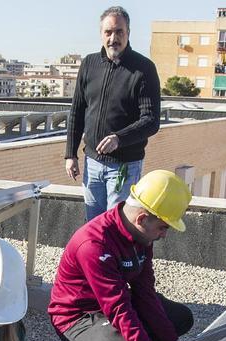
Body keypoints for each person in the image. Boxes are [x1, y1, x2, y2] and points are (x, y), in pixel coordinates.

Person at [49, 170, 195, 341]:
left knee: (181, 319)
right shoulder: (94, 245)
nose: (164, 234)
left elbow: (144, 292)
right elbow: (118, 306)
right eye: (162, 227)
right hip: (77, 316)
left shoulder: (142, 238)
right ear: (141, 218)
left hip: (109, 304)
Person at [64, 5, 162, 221]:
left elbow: (151, 120)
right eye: (108, 32)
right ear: (101, 34)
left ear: (128, 33)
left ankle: (118, 257)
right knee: (94, 226)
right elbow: (77, 111)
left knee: (117, 226)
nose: (113, 38)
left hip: (124, 167)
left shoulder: (144, 69)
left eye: (119, 32)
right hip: (92, 164)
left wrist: (119, 138)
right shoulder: (89, 64)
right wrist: (71, 154)